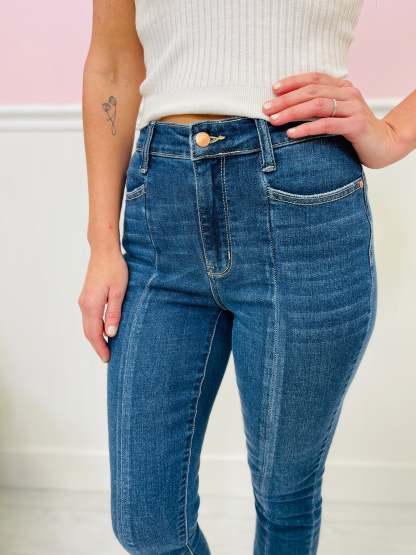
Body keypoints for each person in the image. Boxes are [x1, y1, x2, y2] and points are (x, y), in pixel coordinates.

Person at [78, 1, 416, 553]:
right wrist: (101, 244)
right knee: (145, 524)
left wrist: (393, 133)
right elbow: (112, 63)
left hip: (304, 203)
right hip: (159, 213)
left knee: (285, 492)